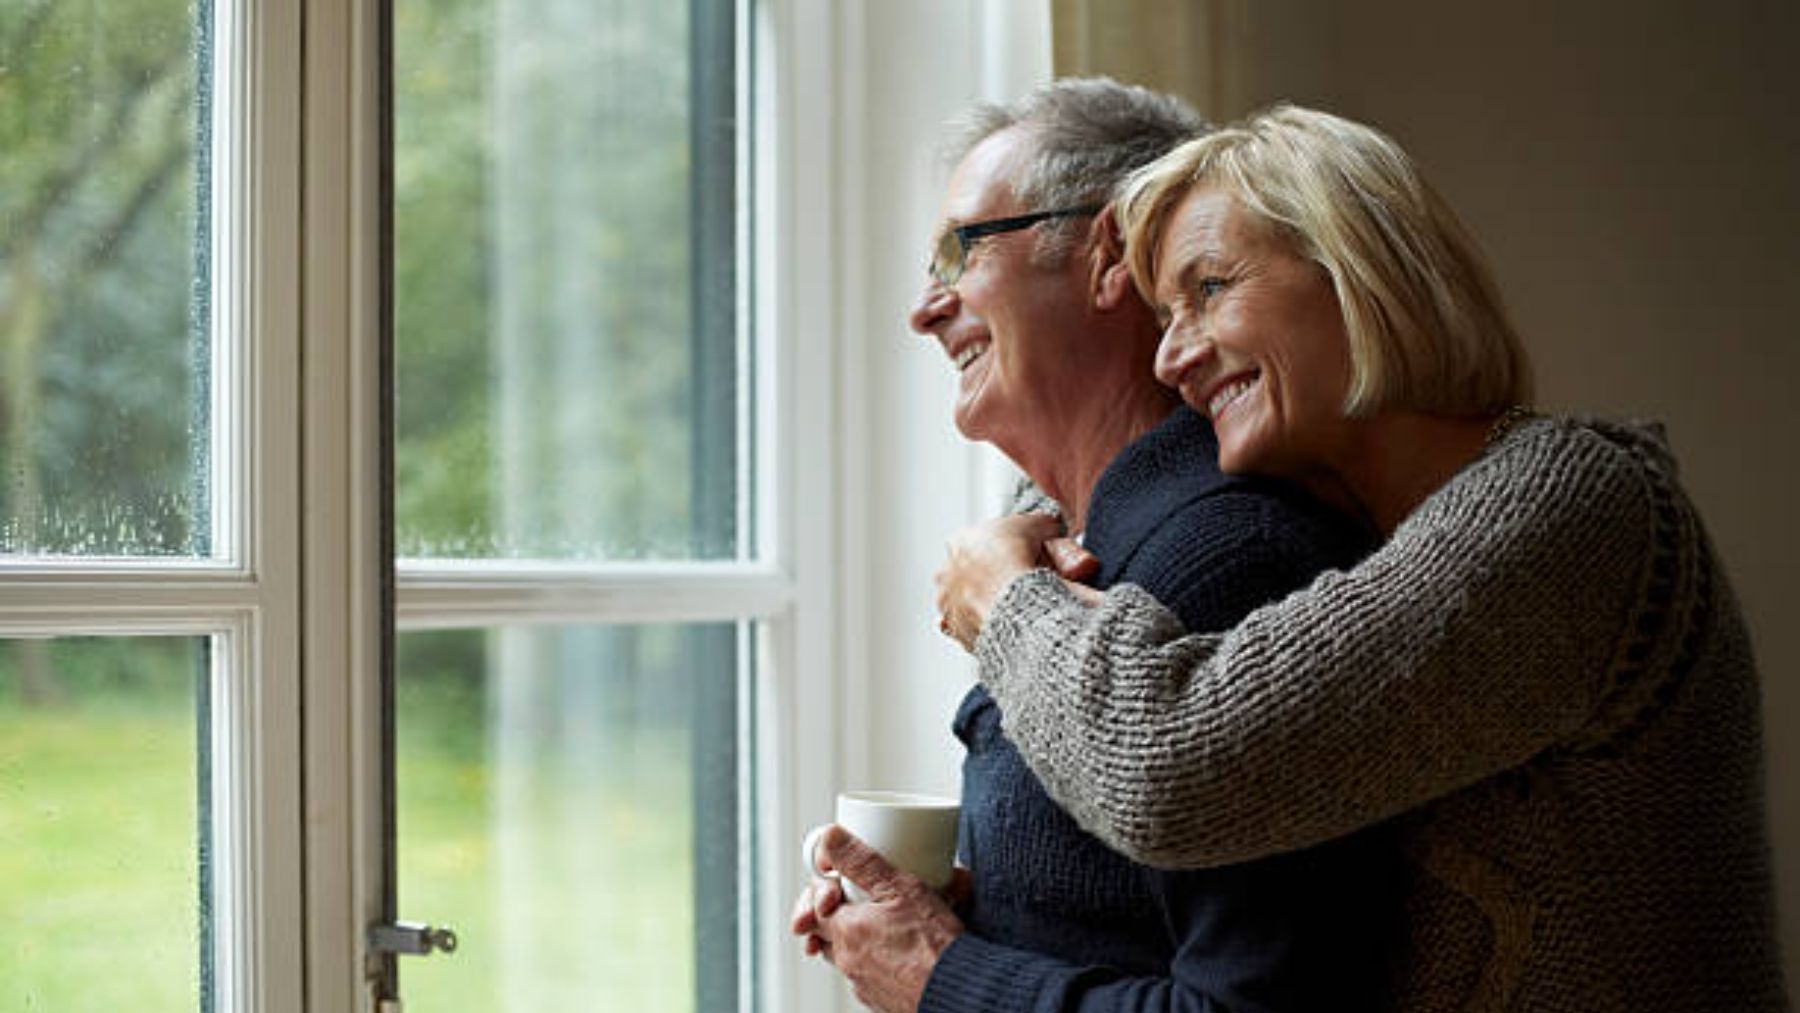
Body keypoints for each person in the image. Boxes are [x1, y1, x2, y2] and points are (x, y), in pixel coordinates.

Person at [931, 103, 1789, 1011]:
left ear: (1358, 271)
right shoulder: (1390, 541)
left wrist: (1007, 598)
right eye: (1165, 313)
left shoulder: (1574, 506)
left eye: (1210, 288)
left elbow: (1174, 769)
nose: (1176, 355)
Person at [791, 80, 1403, 1013]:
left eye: (959, 250)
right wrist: (955, 921)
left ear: (1110, 252)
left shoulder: (1231, 555)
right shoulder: (1101, 544)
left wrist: (937, 976)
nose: (925, 310)